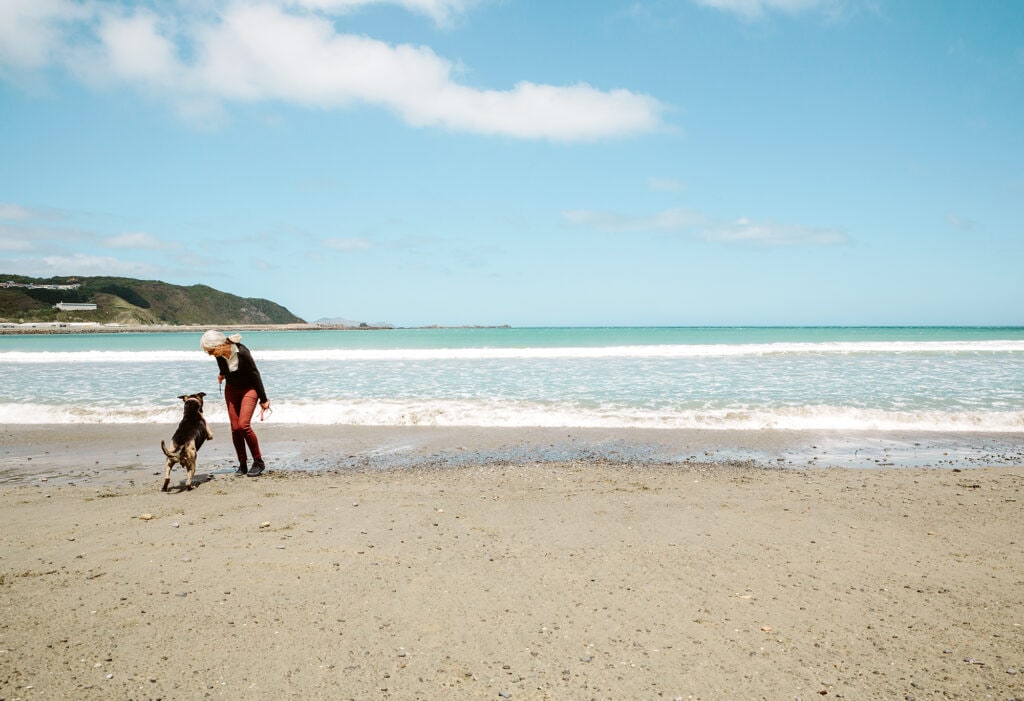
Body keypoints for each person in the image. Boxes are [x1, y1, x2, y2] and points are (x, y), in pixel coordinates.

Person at [200, 330, 271, 477]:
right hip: (231, 390)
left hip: (249, 389)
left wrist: (264, 399)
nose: (210, 354)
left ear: (220, 345)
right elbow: (224, 367)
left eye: (211, 351)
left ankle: (258, 462)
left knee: (243, 425)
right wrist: (221, 374)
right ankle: (243, 464)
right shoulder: (219, 354)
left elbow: (255, 374)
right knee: (235, 428)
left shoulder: (242, 353)